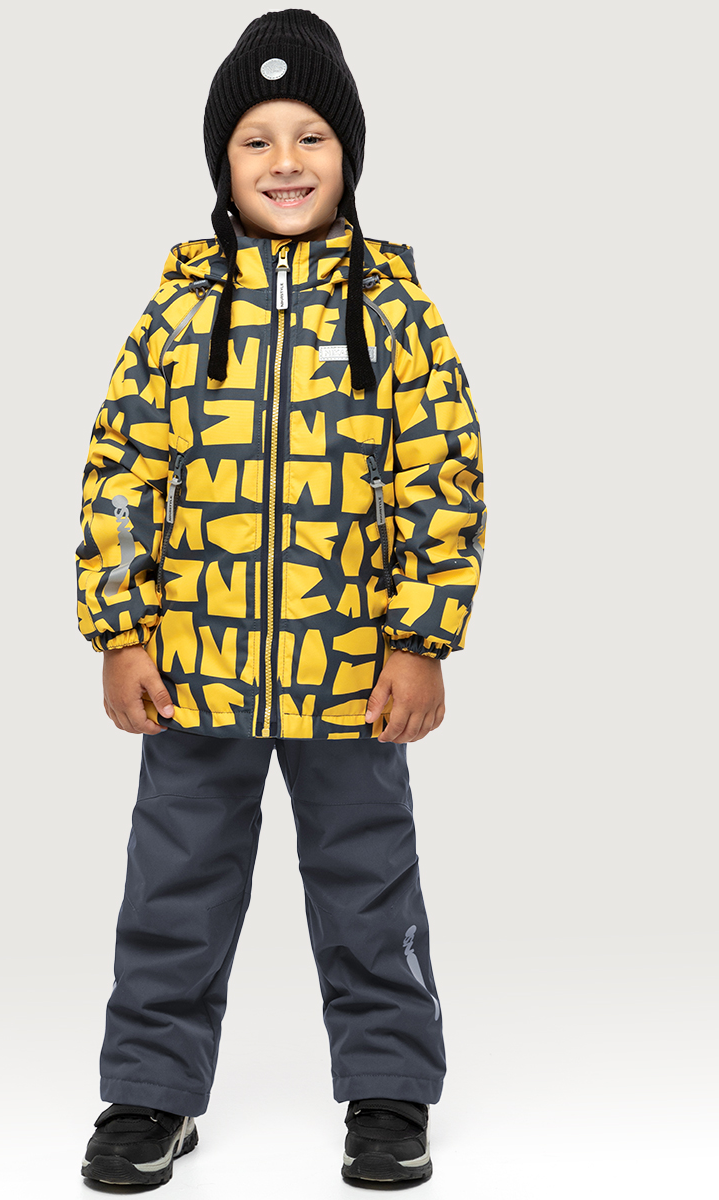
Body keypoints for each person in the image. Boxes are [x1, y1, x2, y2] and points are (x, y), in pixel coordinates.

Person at [75, 8, 486, 1187]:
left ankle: (390, 1088)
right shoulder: (177, 309)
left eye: (312, 135)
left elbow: (442, 474)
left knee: (369, 884)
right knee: (175, 886)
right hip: (194, 672)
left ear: (349, 154)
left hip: (351, 672)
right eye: (256, 139)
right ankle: (152, 1094)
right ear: (223, 163)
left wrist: (421, 639)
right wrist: (121, 630)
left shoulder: (394, 309)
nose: (287, 160)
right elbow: (122, 470)